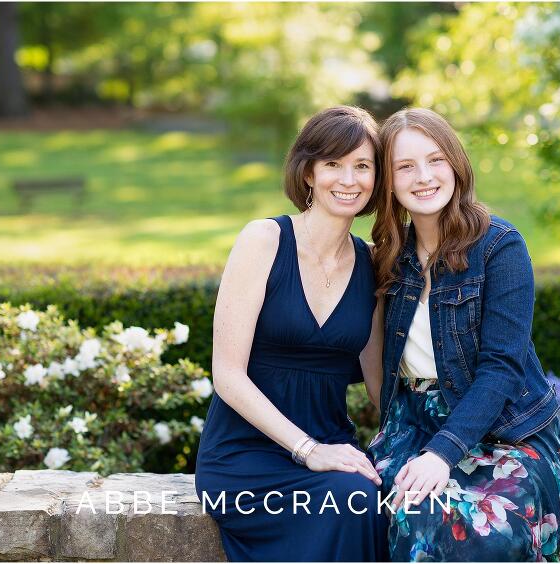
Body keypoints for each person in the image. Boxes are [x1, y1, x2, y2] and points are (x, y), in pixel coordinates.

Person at [368, 107, 560, 561]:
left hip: (504, 429)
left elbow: (501, 368)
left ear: (457, 166)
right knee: (390, 508)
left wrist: (442, 454)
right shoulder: (388, 254)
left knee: (485, 527)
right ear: (388, 181)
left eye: (435, 160)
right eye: (405, 166)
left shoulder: (500, 246)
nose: (423, 177)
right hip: (413, 423)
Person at [195, 106, 389, 562]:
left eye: (363, 166)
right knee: (350, 502)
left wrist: (441, 448)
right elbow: (227, 374)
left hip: (331, 447)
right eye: (333, 164)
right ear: (308, 173)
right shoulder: (263, 241)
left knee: (368, 500)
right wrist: (308, 450)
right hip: (244, 457)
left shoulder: (372, 263)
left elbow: (381, 387)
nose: (349, 179)